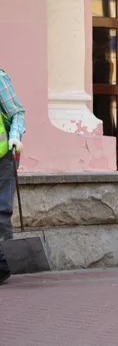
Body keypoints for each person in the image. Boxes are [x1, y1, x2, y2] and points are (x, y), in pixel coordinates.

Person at [0, 69, 25, 285]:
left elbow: (17, 112)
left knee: (1, 210)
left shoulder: (0, 79)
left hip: (4, 156)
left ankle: (4, 266)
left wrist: (15, 137)